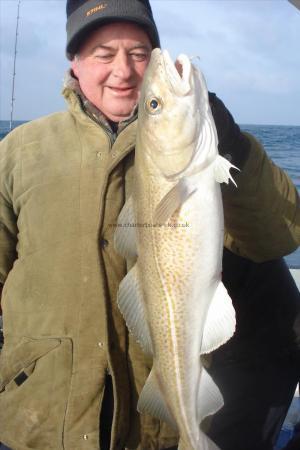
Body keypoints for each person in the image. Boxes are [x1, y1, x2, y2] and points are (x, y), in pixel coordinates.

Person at [0, 1, 299, 449]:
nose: (124, 70)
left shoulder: (214, 151)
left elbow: (280, 234)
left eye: (140, 53)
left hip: (155, 429)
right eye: (103, 53)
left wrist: (229, 142)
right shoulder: (20, 149)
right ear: (74, 63)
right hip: (40, 418)